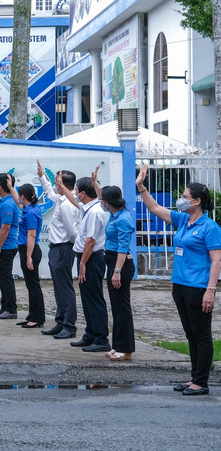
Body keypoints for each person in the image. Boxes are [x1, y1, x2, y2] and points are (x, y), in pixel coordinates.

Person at [136, 165, 221, 396]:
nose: (180, 200)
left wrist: (210, 290)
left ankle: (201, 382)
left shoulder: (210, 227)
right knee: (190, 334)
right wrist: (141, 186)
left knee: (201, 335)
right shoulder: (183, 220)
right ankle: (195, 377)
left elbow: (216, 261)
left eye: (184, 197)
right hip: (180, 286)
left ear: (197, 201)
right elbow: (154, 208)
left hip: (198, 288)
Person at [57, 175, 110, 353]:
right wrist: (60, 186)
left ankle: (101, 338)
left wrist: (82, 264)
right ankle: (90, 334)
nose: (74, 193)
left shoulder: (95, 212)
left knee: (94, 299)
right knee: (87, 300)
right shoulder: (87, 207)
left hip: (91, 259)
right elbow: (73, 200)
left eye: (76, 190)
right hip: (86, 258)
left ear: (84, 193)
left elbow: (91, 241)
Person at [37, 162, 80, 340]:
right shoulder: (62, 199)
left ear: (62, 184)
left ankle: (69, 326)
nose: (54, 184)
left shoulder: (67, 205)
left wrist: (68, 248)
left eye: (57, 181)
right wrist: (41, 176)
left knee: (65, 288)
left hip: (63, 248)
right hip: (57, 248)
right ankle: (61, 321)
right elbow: (49, 192)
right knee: (59, 288)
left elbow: (72, 233)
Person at [95, 177, 136, 362]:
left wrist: (117, 272)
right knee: (116, 309)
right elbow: (100, 194)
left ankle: (126, 349)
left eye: (102, 200)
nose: (100, 202)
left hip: (121, 264)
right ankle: (117, 345)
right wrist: (95, 182)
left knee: (122, 308)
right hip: (112, 262)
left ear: (107, 202)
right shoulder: (114, 215)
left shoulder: (123, 219)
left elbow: (123, 246)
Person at [0, 167, 20, 319]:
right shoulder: (8, 199)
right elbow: (2, 188)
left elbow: (5, 229)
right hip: (1, 247)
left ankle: (11, 310)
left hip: (5, 248)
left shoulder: (8, 204)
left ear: (0, 188)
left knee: (5, 278)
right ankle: (4, 306)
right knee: (1, 277)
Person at [16, 183, 45, 328]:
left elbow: (32, 235)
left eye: (19, 195)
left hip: (30, 250)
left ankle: (38, 318)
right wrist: (10, 186)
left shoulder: (32, 213)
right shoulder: (29, 209)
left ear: (23, 196)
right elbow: (18, 203)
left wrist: (28, 257)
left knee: (34, 286)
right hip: (26, 249)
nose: (18, 198)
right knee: (30, 285)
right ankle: (31, 315)